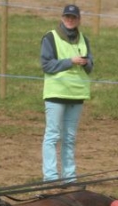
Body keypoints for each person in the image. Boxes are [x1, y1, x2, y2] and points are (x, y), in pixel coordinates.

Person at [40, 4, 93, 182]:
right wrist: (70, 61)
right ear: (62, 18)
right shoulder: (50, 37)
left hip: (77, 95)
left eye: (73, 17)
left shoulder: (83, 39)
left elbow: (90, 67)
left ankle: (69, 177)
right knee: (53, 135)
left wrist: (86, 63)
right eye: (67, 17)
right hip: (56, 93)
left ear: (78, 20)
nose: (70, 20)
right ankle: (50, 177)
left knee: (69, 138)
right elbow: (46, 65)